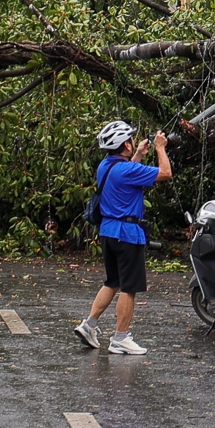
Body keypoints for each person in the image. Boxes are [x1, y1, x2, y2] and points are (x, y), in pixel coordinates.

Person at [75, 120, 170, 357]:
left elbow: (127, 175)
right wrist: (160, 148)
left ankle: (89, 325)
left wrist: (138, 153)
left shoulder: (105, 166)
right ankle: (120, 338)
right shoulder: (127, 170)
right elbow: (165, 173)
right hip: (128, 235)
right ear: (125, 144)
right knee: (129, 288)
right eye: (131, 140)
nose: (133, 142)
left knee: (112, 282)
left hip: (108, 232)